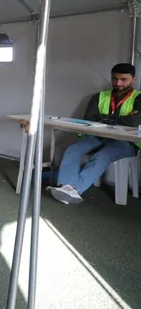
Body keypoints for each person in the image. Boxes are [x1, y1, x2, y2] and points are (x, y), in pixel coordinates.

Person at [49, 63, 141, 205]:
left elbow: (135, 121)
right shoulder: (99, 96)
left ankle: (74, 189)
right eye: (115, 78)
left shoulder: (139, 98)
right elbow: (89, 118)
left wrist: (102, 117)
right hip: (98, 136)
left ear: (134, 79)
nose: (118, 83)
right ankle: (67, 187)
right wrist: (122, 118)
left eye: (124, 79)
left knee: (102, 156)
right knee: (73, 149)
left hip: (126, 141)